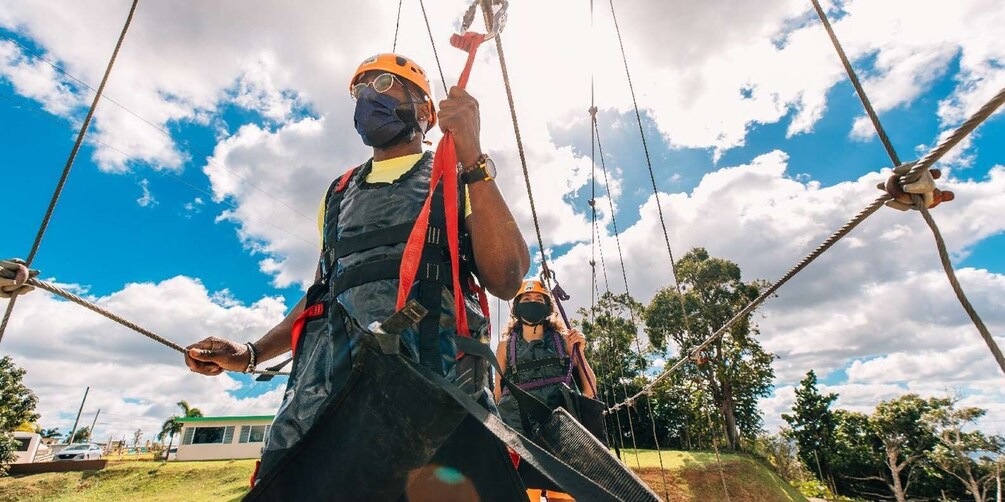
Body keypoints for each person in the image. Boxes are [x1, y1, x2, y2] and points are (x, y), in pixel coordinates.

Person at [183, 53, 528, 379]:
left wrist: (472, 157)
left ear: (425, 111)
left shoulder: (458, 176)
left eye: (382, 85)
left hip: (442, 385)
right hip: (344, 387)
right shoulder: (339, 192)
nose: (367, 98)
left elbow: (506, 279)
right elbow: (326, 291)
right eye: (359, 92)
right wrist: (251, 354)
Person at [494, 278, 597, 428]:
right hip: (522, 434)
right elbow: (498, 395)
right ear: (517, 307)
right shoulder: (505, 347)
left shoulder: (564, 341)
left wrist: (579, 352)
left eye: (538, 299)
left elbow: (590, 391)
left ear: (547, 308)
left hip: (564, 433)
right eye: (527, 298)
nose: (532, 302)